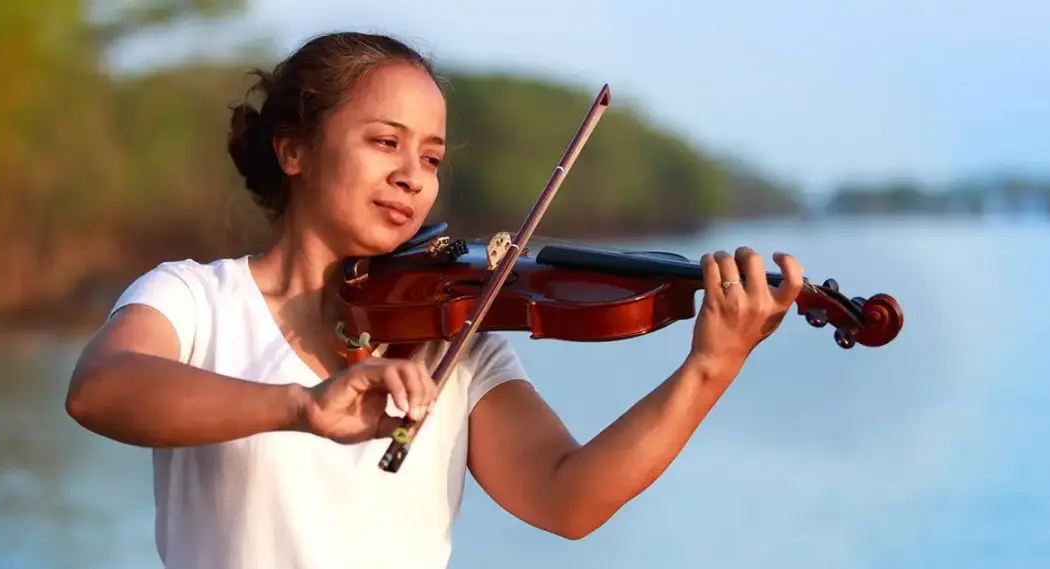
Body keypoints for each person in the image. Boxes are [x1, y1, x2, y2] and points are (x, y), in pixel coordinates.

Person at [64, 31, 805, 569]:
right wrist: (301, 405)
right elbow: (101, 390)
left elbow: (567, 499)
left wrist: (709, 368)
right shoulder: (195, 298)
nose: (413, 177)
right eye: (385, 142)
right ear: (294, 151)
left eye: (431, 157)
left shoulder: (459, 336)